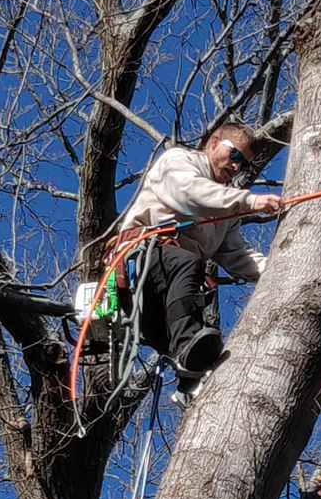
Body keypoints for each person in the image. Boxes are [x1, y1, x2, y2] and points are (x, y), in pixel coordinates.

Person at [117, 122, 281, 404]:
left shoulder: (225, 209)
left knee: (194, 342)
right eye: (235, 156)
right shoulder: (178, 161)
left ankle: (190, 385)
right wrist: (250, 200)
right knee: (188, 265)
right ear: (214, 143)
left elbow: (236, 255)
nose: (236, 167)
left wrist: (277, 272)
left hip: (169, 292)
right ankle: (186, 351)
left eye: (243, 164)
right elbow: (190, 194)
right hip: (144, 257)